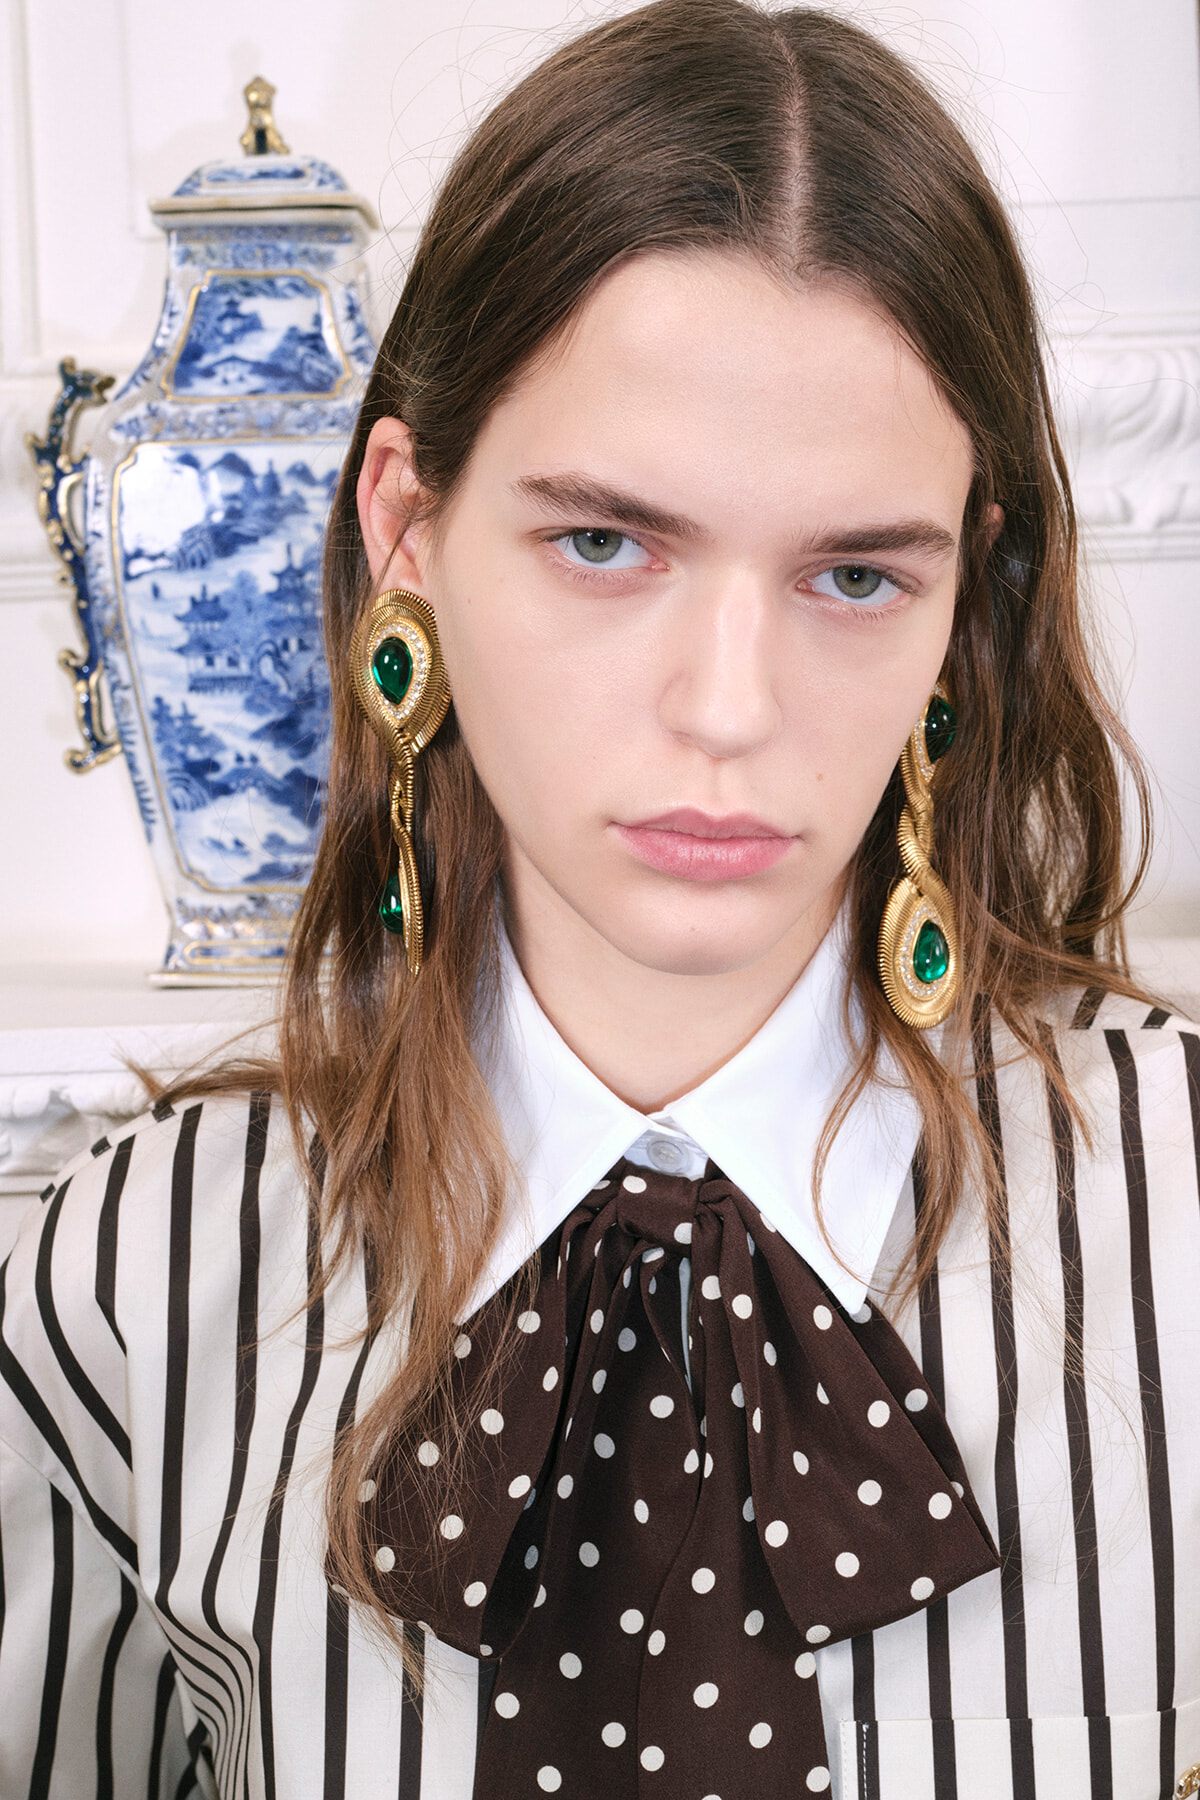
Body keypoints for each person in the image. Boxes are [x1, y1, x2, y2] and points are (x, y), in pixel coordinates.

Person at [1, 2, 1197, 1795]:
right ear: (409, 527)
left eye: (856, 576)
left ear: (969, 587)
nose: (730, 706)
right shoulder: (123, 1282)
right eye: (605, 542)